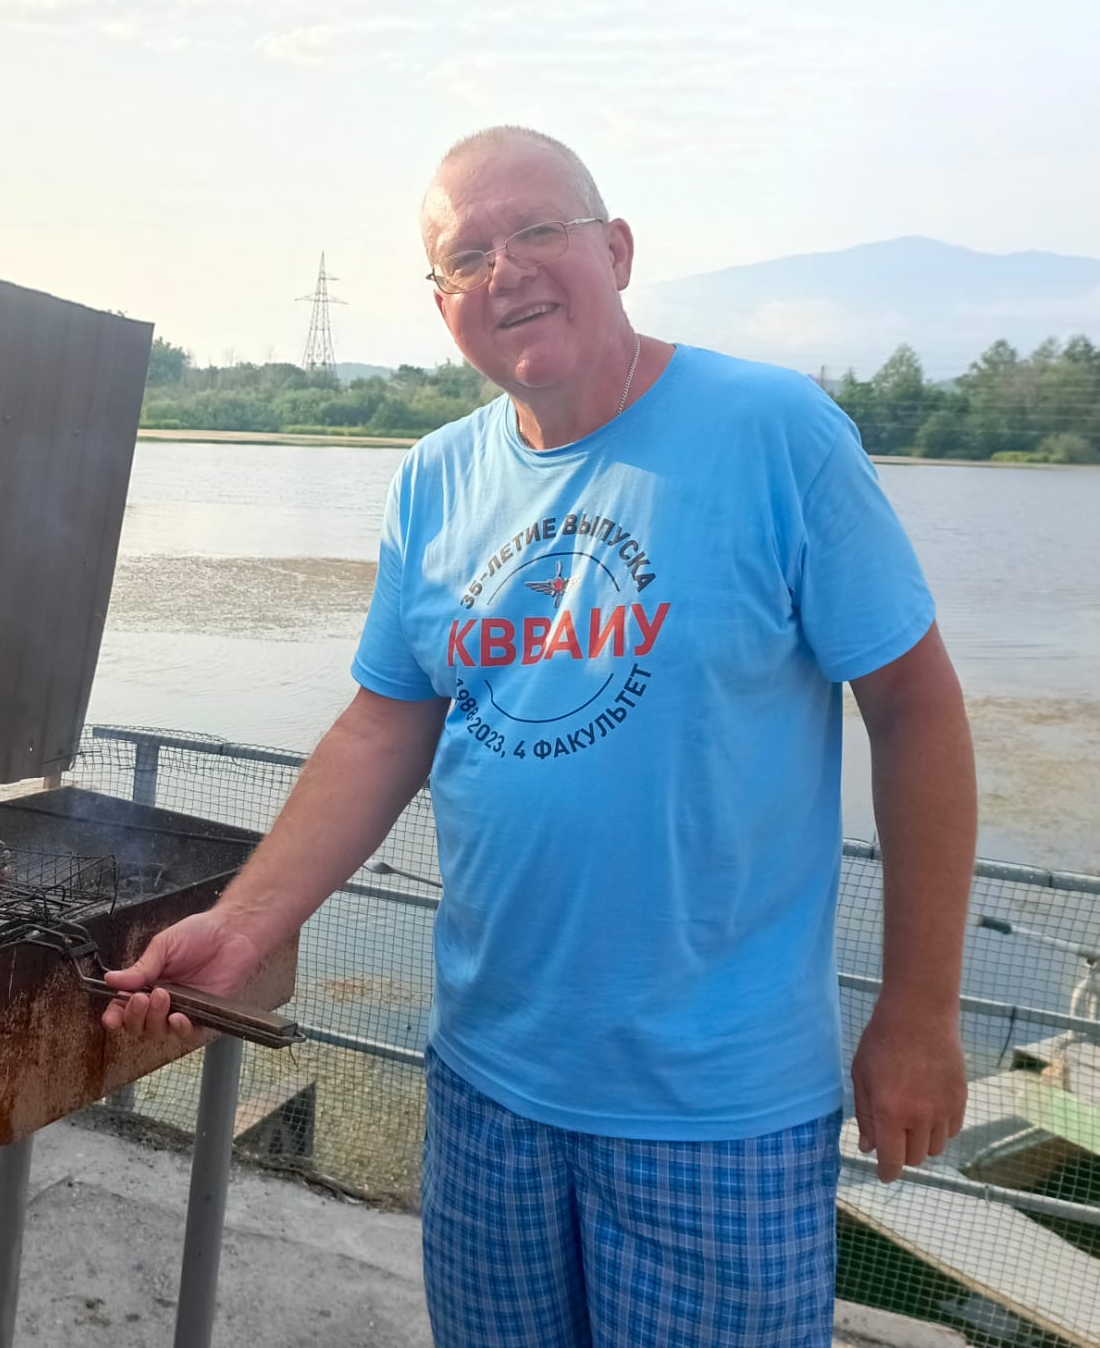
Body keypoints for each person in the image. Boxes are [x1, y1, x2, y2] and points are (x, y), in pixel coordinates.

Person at [102, 125, 976, 1347]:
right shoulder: (433, 479)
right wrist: (245, 930)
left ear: (615, 250)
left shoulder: (775, 429)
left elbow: (919, 713)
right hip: (486, 1093)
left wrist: (921, 1012)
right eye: (466, 255)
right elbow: (380, 729)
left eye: (538, 232)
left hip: (715, 1116)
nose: (505, 267)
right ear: (444, 305)